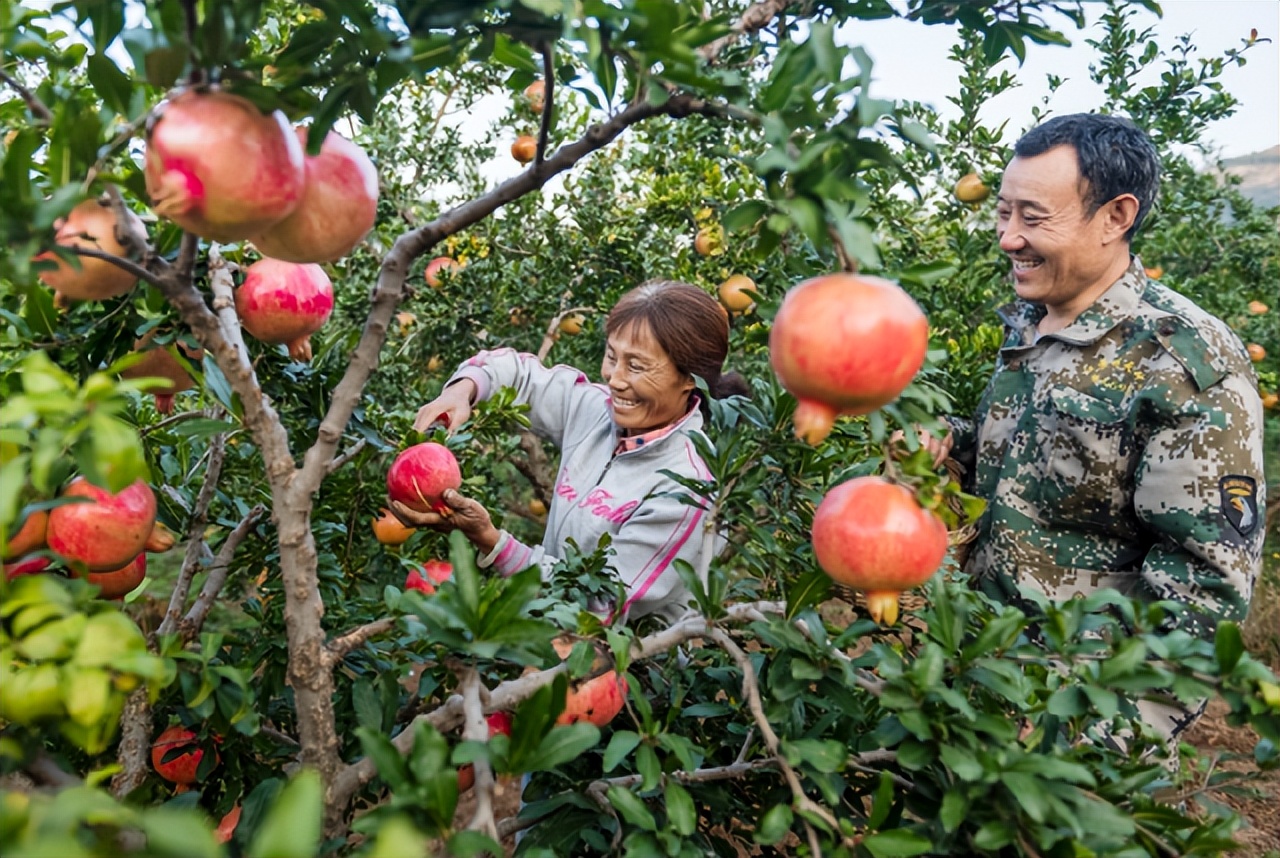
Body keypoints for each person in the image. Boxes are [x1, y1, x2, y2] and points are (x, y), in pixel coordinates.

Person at [918, 113, 1266, 743]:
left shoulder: (1181, 363)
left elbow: (1202, 594)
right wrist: (943, 441)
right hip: (966, 677)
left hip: (1065, 721)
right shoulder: (1028, 321)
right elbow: (1018, 455)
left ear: (1115, 217)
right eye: (1003, 213)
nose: (1008, 239)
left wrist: (1089, 748)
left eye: (1033, 217)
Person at [392, 279, 749, 625]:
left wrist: (491, 540)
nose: (615, 378)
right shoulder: (595, 410)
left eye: (636, 366)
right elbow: (517, 374)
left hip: (626, 673)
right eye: (611, 356)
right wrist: (462, 390)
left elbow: (602, 603)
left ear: (691, 379)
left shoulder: (687, 490)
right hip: (544, 639)